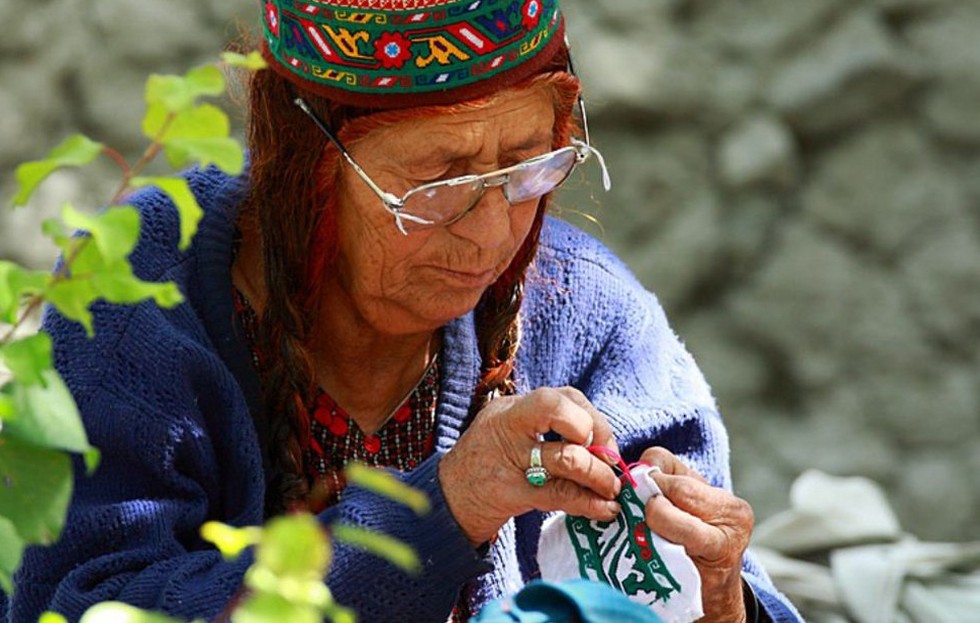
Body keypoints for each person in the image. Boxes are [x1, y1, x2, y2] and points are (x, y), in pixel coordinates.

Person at [4, 0, 802, 621]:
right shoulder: (144, 285)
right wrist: (443, 507)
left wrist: (718, 592)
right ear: (302, 162)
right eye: (439, 184)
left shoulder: (590, 315)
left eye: (528, 165)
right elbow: (78, 605)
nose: (492, 233)